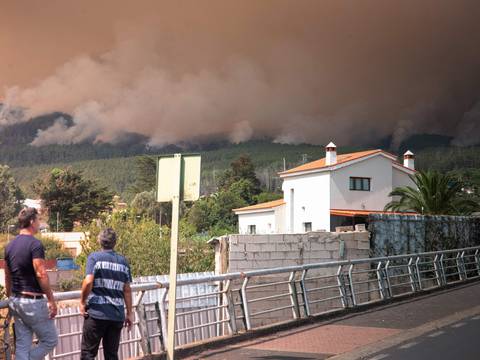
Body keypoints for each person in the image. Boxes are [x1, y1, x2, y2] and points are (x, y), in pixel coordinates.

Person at [5, 207, 58, 360]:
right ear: (31, 221)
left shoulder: (9, 246)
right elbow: (41, 273)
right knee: (50, 340)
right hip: (32, 303)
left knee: (22, 345)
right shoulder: (35, 245)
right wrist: (51, 300)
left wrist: (10, 298)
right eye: (38, 220)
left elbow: (7, 276)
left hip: (16, 301)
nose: (39, 223)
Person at [80, 228, 133, 360]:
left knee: (88, 354)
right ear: (115, 242)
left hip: (97, 315)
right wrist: (130, 313)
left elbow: (88, 282)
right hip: (116, 315)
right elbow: (127, 290)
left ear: (99, 241)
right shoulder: (123, 262)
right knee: (111, 355)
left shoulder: (94, 258)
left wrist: (82, 302)